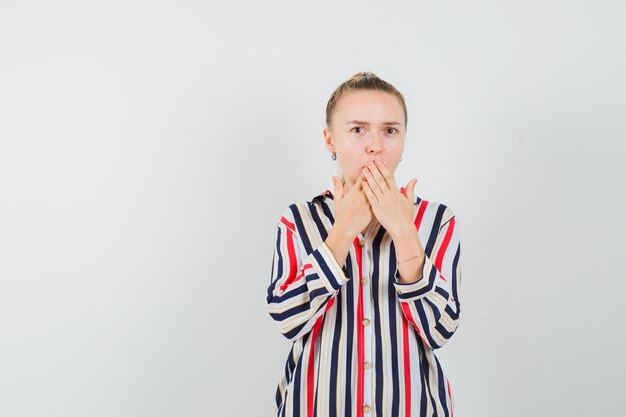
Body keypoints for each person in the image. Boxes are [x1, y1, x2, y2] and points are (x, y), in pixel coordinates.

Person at [266, 72, 462, 417]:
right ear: (331, 140)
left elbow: (440, 330)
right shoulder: (299, 219)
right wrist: (342, 232)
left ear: (403, 139)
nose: (376, 145)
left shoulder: (436, 220)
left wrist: (403, 230)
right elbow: (287, 318)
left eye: (390, 130)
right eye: (358, 129)